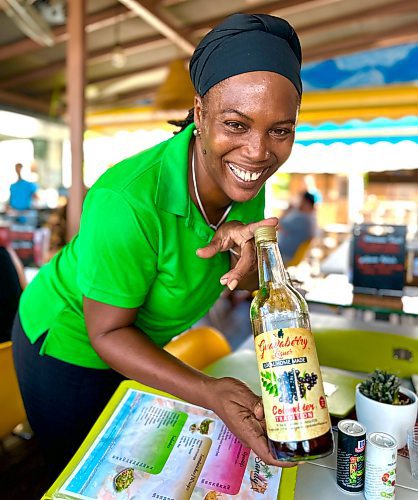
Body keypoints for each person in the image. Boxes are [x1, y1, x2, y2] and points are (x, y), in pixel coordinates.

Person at [12, 13, 303, 478]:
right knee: (80, 474)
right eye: (236, 124)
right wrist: (209, 391)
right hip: (69, 343)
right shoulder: (126, 200)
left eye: (280, 130)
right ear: (200, 112)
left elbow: (243, 280)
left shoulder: (248, 178)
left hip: (142, 345)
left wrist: (246, 262)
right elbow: (106, 332)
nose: (258, 151)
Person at [278, 191, 317, 264]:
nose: (297, 201)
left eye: (299, 199)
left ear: (306, 202)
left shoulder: (302, 219)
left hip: (283, 254)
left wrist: (287, 210)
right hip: (284, 252)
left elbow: (276, 225)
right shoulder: (309, 217)